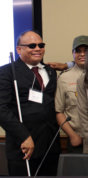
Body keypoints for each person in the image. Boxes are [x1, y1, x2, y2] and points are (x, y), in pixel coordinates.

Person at [0, 30, 60, 176]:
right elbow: (1, 109)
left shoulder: (51, 72)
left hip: (50, 146)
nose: (37, 48)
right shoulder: (7, 72)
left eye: (41, 45)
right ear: (19, 49)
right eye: (32, 45)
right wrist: (24, 137)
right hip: (24, 146)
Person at [55, 35, 88, 153]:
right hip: (78, 139)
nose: (82, 54)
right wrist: (72, 135)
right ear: (73, 53)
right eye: (78, 51)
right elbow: (59, 111)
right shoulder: (64, 78)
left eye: (86, 51)